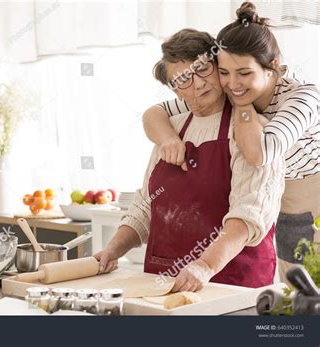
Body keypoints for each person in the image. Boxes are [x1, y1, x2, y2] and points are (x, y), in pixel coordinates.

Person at [141, 2, 319, 284]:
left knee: (310, 282)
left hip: (310, 187)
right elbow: (154, 113)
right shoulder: (222, 88)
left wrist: (241, 102)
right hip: (275, 186)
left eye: (244, 73)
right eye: (224, 72)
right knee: (292, 288)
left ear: (272, 66)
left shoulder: (302, 97)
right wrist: (169, 139)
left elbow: (260, 152)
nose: (232, 82)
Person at [94, 28, 285, 292]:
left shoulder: (250, 132)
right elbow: (146, 206)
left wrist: (203, 266)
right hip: (164, 284)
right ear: (175, 91)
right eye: (183, 80)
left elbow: (247, 216)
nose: (198, 84)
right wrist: (112, 250)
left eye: (202, 69)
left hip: (232, 285)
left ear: (218, 66)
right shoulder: (170, 130)